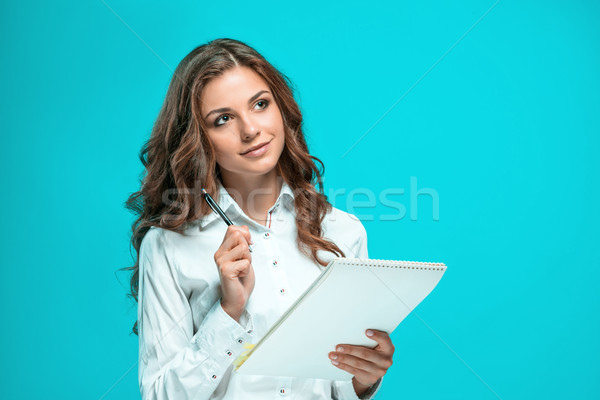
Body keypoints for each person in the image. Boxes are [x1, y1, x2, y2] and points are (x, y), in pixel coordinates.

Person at [124, 38, 395, 400]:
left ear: (281, 108)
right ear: (198, 138)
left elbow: (336, 384)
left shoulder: (342, 232)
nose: (250, 130)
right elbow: (160, 395)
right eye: (223, 119)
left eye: (260, 104)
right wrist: (228, 311)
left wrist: (362, 379)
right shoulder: (168, 246)